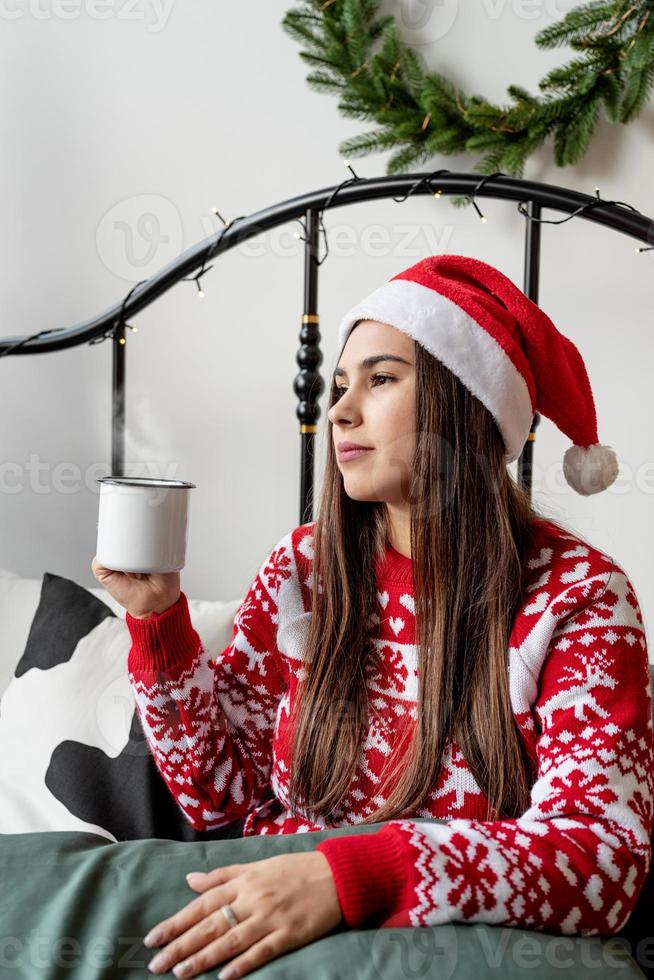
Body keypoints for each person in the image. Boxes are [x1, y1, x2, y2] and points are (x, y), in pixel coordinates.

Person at [92, 254, 653, 980]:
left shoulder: (579, 597)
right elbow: (216, 794)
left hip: (438, 942)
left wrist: (348, 876)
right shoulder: (302, 569)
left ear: (465, 401)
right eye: (338, 385)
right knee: (45, 884)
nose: (339, 410)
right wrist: (158, 619)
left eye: (381, 379)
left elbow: (600, 860)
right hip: (259, 899)